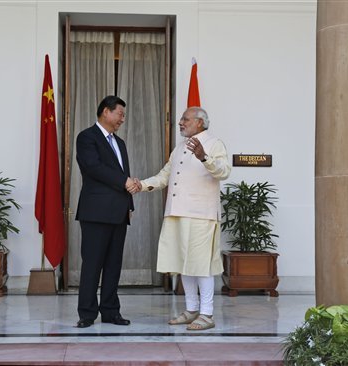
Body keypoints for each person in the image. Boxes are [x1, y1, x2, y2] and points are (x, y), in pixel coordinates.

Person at [134, 106, 231, 330]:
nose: (180, 122)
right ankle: (191, 309)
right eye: (181, 119)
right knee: (183, 264)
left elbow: (224, 172)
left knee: (201, 265)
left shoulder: (214, 143)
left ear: (200, 122)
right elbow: (164, 176)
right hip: (176, 213)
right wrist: (142, 185)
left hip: (201, 215)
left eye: (185, 119)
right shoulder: (178, 148)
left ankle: (207, 314)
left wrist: (204, 157)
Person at [75, 95, 138, 328]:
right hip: (95, 212)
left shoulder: (119, 143)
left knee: (113, 265)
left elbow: (124, 173)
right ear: (105, 112)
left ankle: (111, 312)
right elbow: (94, 168)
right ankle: (87, 313)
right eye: (120, 113)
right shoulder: (87, 137)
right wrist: (125, 182)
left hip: (119, 212)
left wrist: (129, 204)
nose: (122, 119)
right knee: (92, 264)